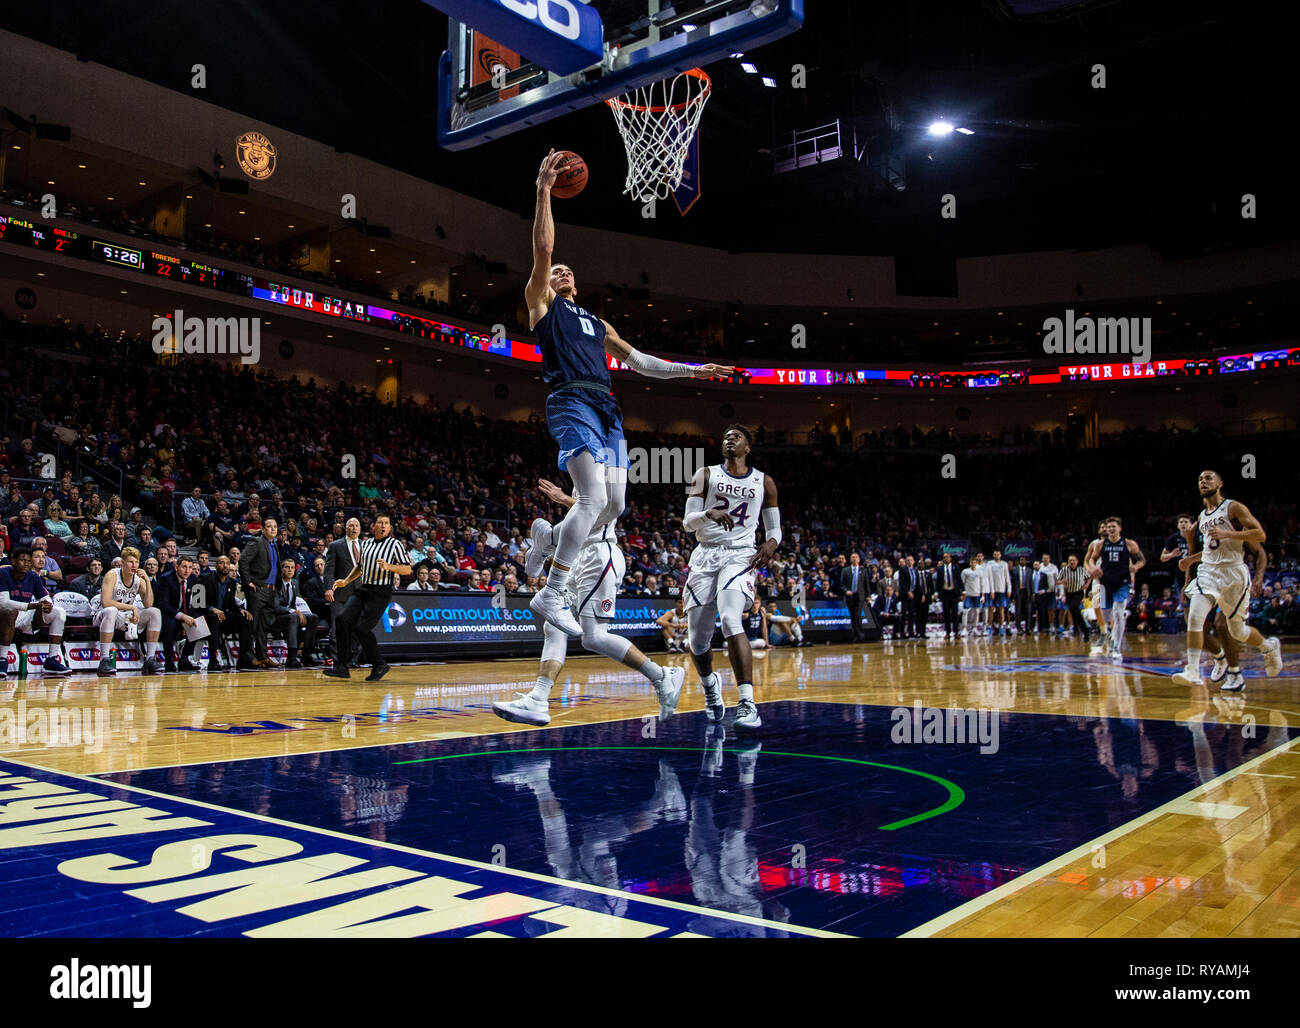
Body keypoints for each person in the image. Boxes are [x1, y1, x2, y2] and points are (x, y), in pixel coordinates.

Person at [522, 149, 732, 636]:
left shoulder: (598, 323)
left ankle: (551, 539)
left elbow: (641, 363)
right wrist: (543, 191)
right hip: (570, 399)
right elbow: (544, 250)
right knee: (592, 501)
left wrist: (696, 372)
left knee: (615, 505)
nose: (562, 272)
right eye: (557, 272)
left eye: (568, 271)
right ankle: (552, 592)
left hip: (607, 409)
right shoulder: (541, 303)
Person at [493, 479, 684, 726]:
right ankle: (538, 700)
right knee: (553, 625)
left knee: (594, 637)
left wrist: (562, 504)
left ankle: (662, 675)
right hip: (579, 556)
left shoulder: (606, 466)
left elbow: (600, 514)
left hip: (599, 554)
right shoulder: (583, 467)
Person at [681, 425, 780, 732]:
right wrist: (708, 514)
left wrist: (771, 544)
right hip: (706, 554)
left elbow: (774, 529)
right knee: (696, 640)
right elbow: (687, 523)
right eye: (725, 435)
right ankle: (711, 688)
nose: (728, 438)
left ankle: (747, 702)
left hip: (740, 554)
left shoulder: (764, 481)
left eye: (735, 436)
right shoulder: (704, 475)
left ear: (747, 447)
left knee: (730, 619)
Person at [1173, 471, 1282, 687]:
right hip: (1209, 573)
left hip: (1233, 574)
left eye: (1208, 478)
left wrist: (1228, 534)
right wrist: (1190, 560)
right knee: (1195, 617)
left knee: (1237, 631)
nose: (1203, 481)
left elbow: (1260, 535)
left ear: (1220, 484)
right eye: (1200, 479)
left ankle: (1268, 646)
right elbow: (1212, 549)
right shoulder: (1201, 517)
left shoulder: (1233, 507)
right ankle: (1192, 670)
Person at [326, 515, 411, 682]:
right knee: (342, 620)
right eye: (380, 523)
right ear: (373, 526)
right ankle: (341, 666)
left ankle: (379, 664)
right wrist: (345, 581)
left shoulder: (395, 544)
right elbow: (359, 567)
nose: (384, 526)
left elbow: (407, 569)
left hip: (381, 592)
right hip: (363, 589)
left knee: (361, 628)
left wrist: (389, 567)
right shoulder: (366, 544)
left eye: (386, 523)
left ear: (390, 527)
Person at [0, 547, 72, 676]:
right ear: (13, 561)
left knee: (58, 612)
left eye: (28, 561)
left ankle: (51, 660)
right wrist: (30, 606)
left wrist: (48, 605)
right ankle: (2, 659)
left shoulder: (33, 576)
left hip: (26, 615)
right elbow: (3, 602)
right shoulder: (3, 573)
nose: (26, 564)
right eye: (23, 560)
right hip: (5, 616)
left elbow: (45, 599)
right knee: (11, 611)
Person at [94, 546, 164, 675]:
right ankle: (104, 659)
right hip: (103, 616)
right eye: (131, 562)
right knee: (111, 610)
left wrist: (147, 581)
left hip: (125, 617)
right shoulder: (112, 574)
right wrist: (132, 608)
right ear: (123, 562)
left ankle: (150, 658)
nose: (134, 565)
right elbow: (106, 602)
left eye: (137, 562)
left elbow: (148, 604)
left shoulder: (138, 579)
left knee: (155, 612)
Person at [1087, 516, 1145, 659]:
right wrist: (1094, 568)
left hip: (1122, 583)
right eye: (1109, 527)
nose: (1111, 529)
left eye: (1114, 526)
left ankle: (1116, 648)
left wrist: (1135, 567)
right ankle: (1110, 633)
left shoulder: (1129, 544)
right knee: (1106, 615)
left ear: (1120, 528)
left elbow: (1142, 559)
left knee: (1118, 613)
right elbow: (1091, 560)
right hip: (1105, 583)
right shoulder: (1101, 544)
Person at [238, 517, 281, 669]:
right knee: (253, 625)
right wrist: (247, 581)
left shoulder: (274, 544)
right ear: (263, 529)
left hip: (270, 590)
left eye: (275, 526)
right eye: (269, 526)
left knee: (263, 627)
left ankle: (263, 657)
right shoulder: (257, 542)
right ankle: (248, 657)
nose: (273, 529)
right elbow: (243, 560)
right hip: (258, 589)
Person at [267, 557, 320, 669]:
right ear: (281, 570)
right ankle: (291, 658)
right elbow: (276, 607)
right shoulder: (275, 584)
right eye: (287, 567)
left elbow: (295, 603)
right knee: (294, 617)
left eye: (292, 568)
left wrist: (298, 612)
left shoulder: (295, 583)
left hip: (290, 617)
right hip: (274, 618)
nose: (290, 570)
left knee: (313, 618)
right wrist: (295, 611)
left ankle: (306, 654)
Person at [325, 518, 363, 668]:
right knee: (337, 629)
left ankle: (353, 659)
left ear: (360, 528)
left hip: (360, 594)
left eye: (357, 526)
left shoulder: (365, 546)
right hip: (340, 594)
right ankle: (338, 661)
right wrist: (328, 588)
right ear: (345, 528)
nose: (354, 528)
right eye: (351, 526)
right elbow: (329, 570)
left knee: (358, 628)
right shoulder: (335, 546)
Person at [839, 551, 868, 642]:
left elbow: (866, 584)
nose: (854, 558)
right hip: (850, 596)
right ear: (850, 559)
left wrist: (868, 595)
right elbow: (841, 584)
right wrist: (846, 591)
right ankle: (856, 635)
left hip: (860, 596)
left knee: (857, 614)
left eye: (856, 557)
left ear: (859, 559)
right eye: (852, 557)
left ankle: (861, 635)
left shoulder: (863, 570)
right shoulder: (845, 570)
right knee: (853, 616)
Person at [985, 549, 1012, 636]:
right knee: (991, 609)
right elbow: (988, 577)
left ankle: (1001, 627)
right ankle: (990, 627)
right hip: (991, 590)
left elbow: (1007, 577)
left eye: (998, 554)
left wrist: (1009, 589)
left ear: (1000, 555)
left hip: (1001, 590)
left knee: (1001, 610)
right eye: (995, 554)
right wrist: (989, 590)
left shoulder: (1004, 564)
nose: (996, 555)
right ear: (993, 555)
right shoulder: (989, 564)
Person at [936, 552, 960, 640]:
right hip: (945, 593)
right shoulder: (940, 569)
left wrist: (963, 591)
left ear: (950, 558)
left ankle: (956, 632)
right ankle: (947, 632)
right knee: (946, 614)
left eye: (947, 557)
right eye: (944, 557)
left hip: (954, 592)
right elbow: (938, 582)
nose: (945, 558)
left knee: (955, 613)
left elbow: (959, 580)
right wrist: (937, 592)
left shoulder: (956, 567)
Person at [960, 554, 983, 637]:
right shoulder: (965, 571)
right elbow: (961, 583)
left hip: (977, 594)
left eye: (974, 562)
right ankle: (964, 629)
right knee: (965, 611)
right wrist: (963, 593)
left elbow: (982, 584)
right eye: (972, 562)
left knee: (977, 612)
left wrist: (982, 595)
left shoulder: (980, 572)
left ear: (976, 563)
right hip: (968, 594)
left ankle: (974, 628)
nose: (973, 564)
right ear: (970, 563)